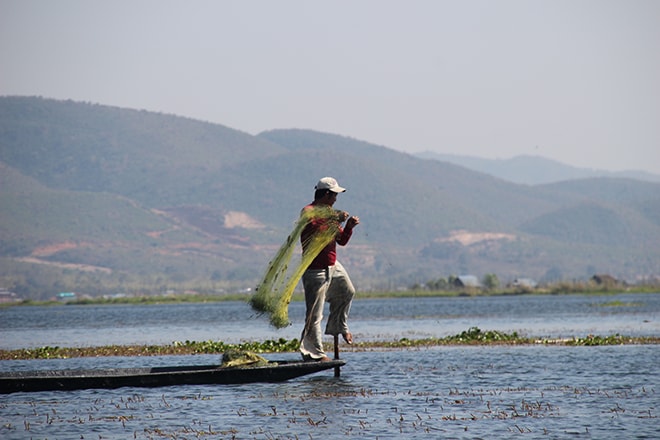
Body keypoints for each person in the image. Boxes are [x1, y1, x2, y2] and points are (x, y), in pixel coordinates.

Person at [299, 177, 360, 362]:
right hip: (315, 270)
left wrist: (348, 227)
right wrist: (335, 218)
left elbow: (340, 240)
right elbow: (316, 227)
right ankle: (314, 354)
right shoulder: (308, 211)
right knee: (314, 315)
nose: (335, 199)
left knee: (347, 291)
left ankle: (339, 327)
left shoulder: (330, 212)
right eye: (334, 195)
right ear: (326, 194)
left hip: (333, 265)